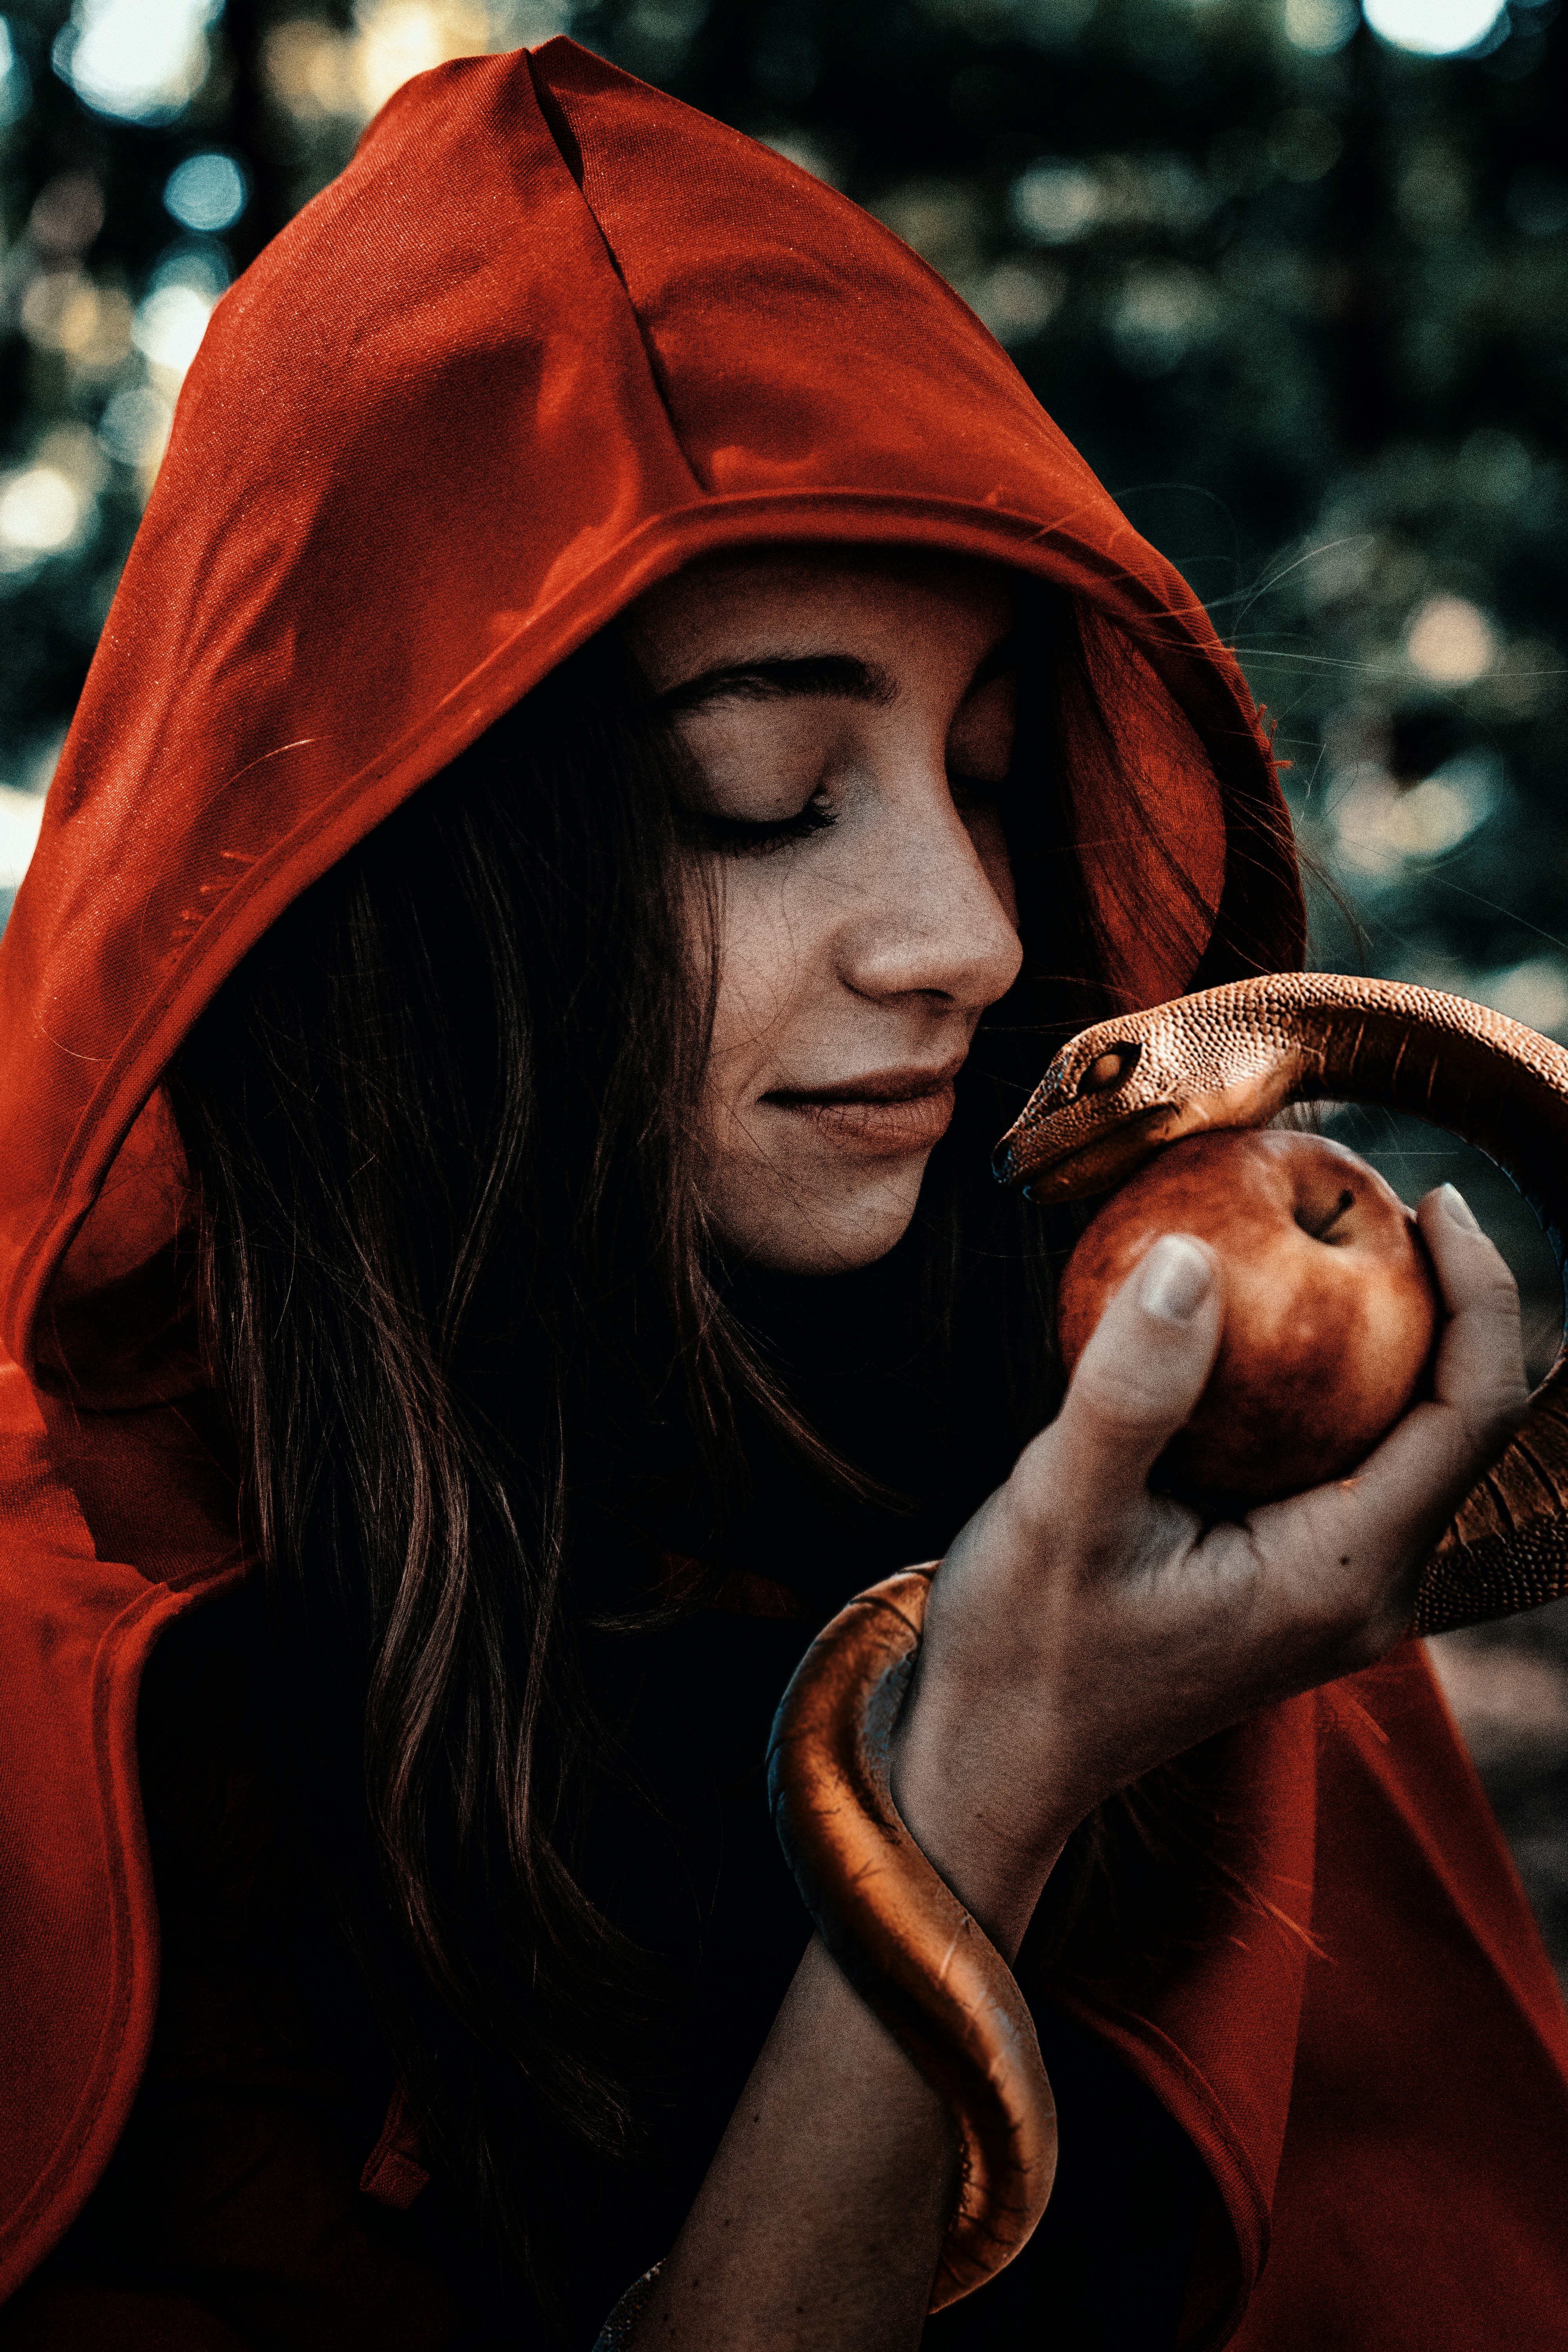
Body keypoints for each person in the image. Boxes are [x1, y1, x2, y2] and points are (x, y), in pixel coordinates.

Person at [0, 38, 1564, 2352]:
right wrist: (977, 1792)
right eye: (760, 796)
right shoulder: (102, 1708)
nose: (974, 935)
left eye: (1001, 777)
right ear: (403, 896)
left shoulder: (1124, 1488)